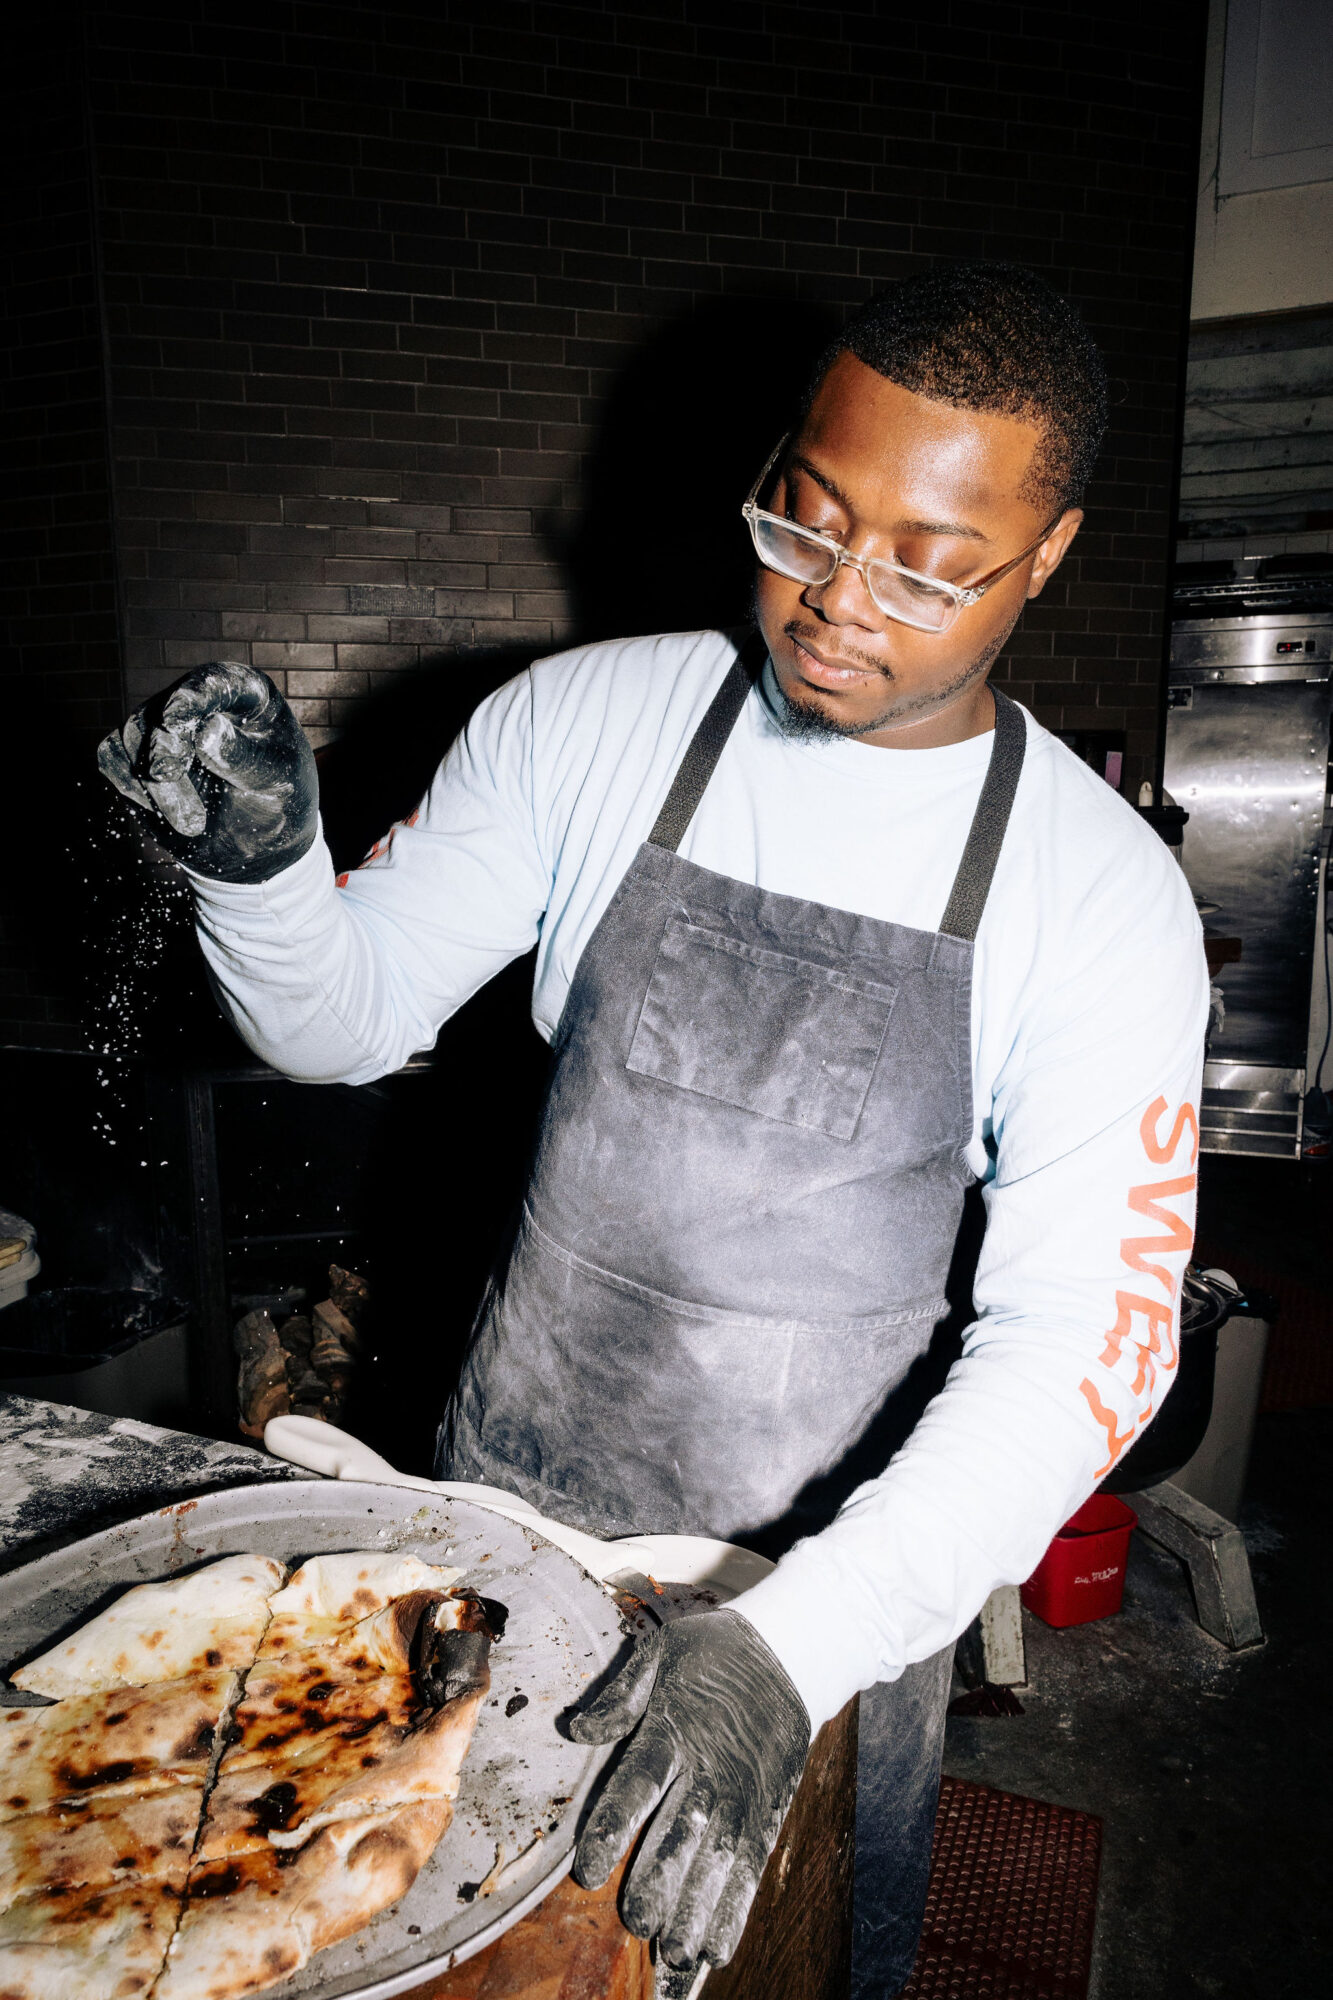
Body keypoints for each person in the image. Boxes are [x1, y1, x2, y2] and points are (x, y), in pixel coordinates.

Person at [100, 263, 1207, 1996]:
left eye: (926, 563)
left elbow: (1092, 1340)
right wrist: (258, 872)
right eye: (807, 520)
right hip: (502, 1516)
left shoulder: (1098, 898)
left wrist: (789, 1648)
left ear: (1045, 552)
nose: (837, 602)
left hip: (830, 1580)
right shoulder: (584, 722)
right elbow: (343, 1021)